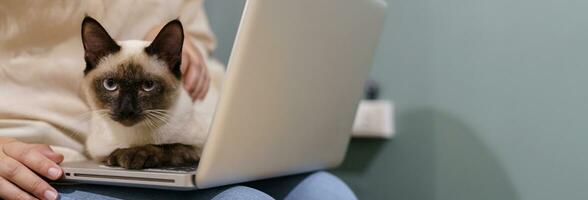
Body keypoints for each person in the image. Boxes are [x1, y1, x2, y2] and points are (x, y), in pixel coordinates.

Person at [0, 1, 357, 199]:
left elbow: (194, 41)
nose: (126, 103)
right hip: (37, 158)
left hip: (163, 128)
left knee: (329, 193)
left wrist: (184, 52)